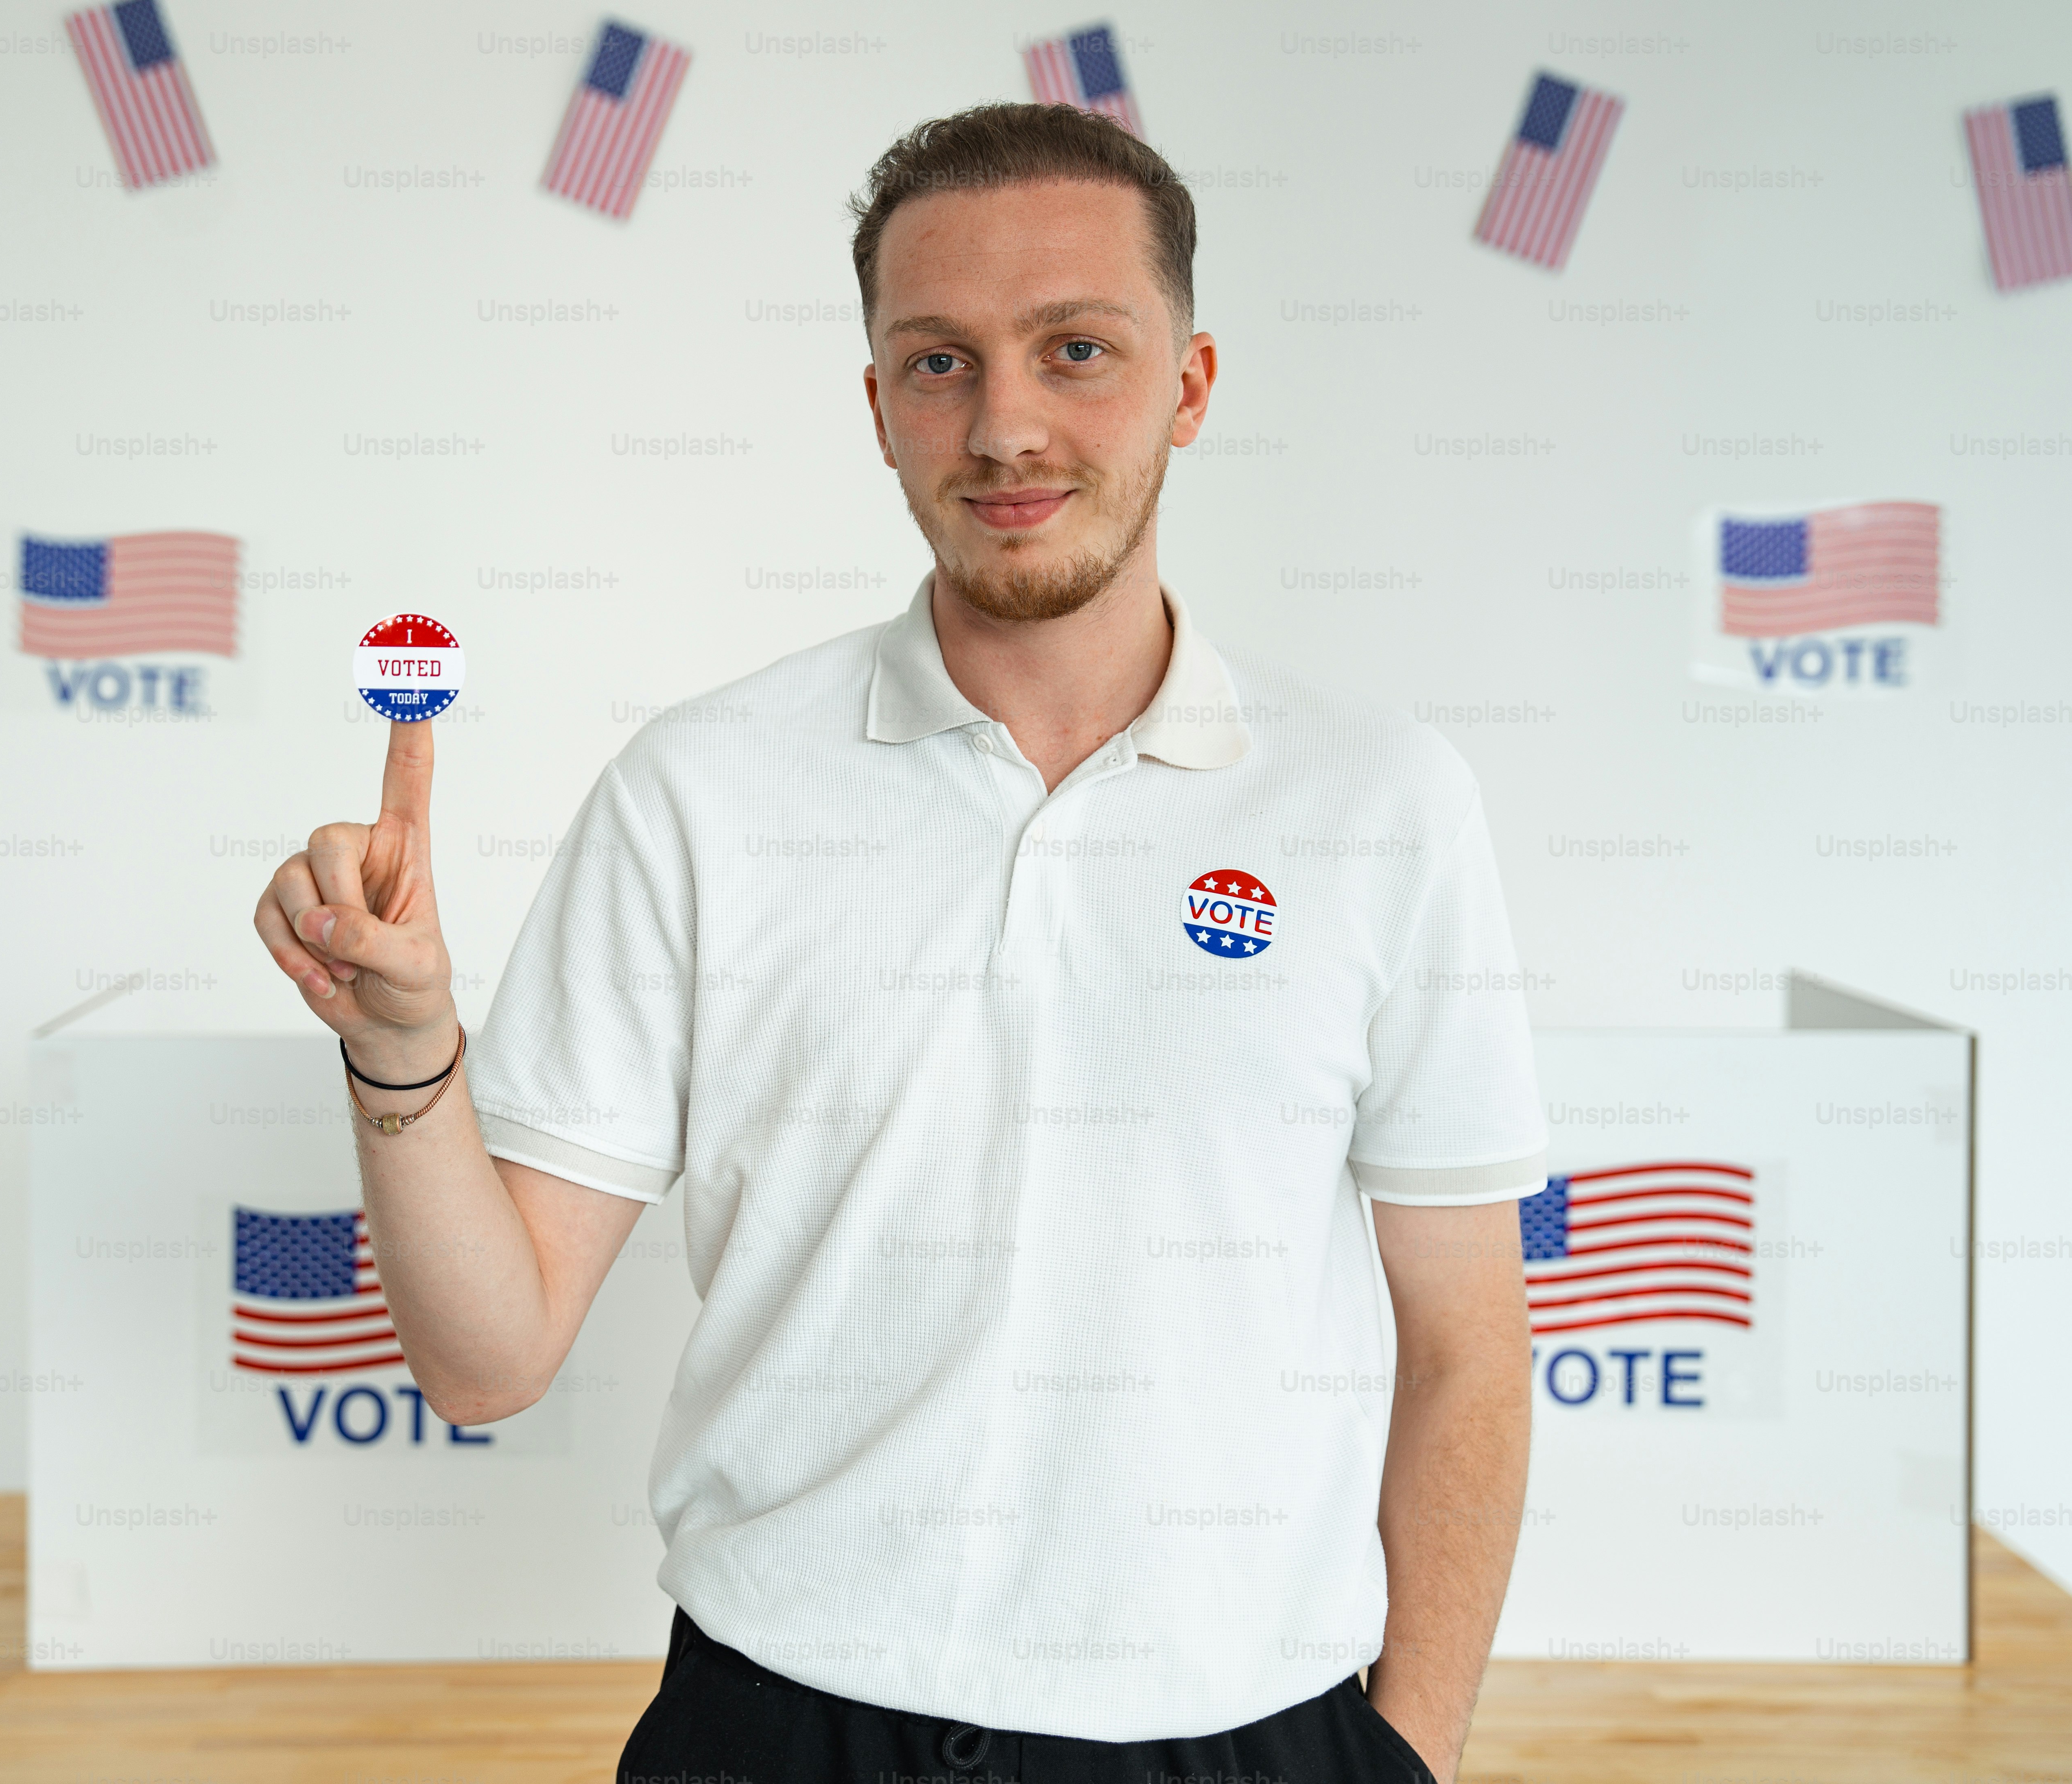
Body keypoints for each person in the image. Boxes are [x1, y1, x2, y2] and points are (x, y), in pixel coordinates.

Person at [255, 102, 1546, 1784]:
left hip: (1247, 1735)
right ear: (877, 408)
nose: (1004, 424)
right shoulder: (702, 788)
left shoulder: (1382, 800)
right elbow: (484, 1360)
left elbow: (1467, 1347)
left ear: (1190, 384)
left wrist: (1410, 1755)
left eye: (1075, 349)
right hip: (780, 1720)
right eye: (940, 362)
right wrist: (401, 1046)